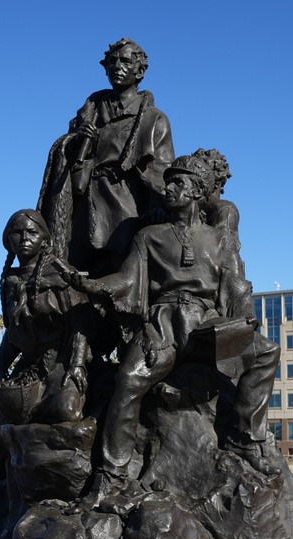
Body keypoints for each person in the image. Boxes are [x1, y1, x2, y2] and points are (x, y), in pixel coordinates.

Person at [67, 154, 281, 497]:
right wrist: (91, 285)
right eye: (169, 182)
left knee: (266, 353)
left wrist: (245, 316)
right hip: (163, 324)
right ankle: (112, 473)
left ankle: (246, 440)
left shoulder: (219, 239)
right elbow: (126, 280)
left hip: (206, 324)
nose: (169, 188)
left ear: (197, 191)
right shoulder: (149, 237)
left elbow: (236, 286)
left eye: (178, 183)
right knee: (128, 379)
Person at [38, 39, 175, 278]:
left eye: (125, 61)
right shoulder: (88, 113)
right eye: (112, 61)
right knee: (72, 273)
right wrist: (78, 141)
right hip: (84, 206)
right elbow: (67, 156)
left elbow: (162, 174)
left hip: (124, 208)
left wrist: (156, 211)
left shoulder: (153, 119)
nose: (117, 66)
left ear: (140, 71)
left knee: (121, 273)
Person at [0, 209, 88, 425]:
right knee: (1, 420)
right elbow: (13, 330)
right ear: (8, 240)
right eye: (17, 233)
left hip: (60, 362)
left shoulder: (62, 275)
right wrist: (0, 367)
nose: (24, 238)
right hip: (28, 366)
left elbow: (80, 324)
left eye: (32, 232)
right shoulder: (10, 282)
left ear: (44, 240)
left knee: (65, 411)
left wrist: (78, 365)